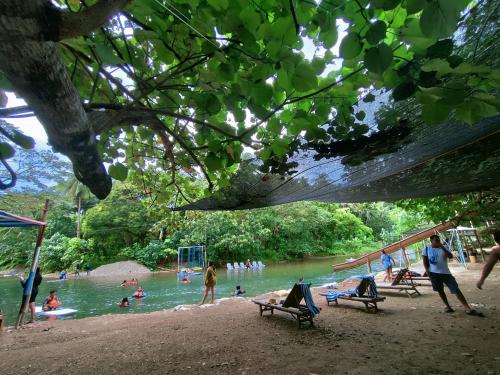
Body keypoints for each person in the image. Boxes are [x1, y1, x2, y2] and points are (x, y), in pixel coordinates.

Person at [423, 235, 482, 316]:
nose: (437, 241)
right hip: (434, 274)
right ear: (431, 241)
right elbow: (425, 263)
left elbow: (450, 256)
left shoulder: (443, 247)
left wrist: (442, 247)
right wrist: (428, 273)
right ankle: (448, 306)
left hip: (446, 273)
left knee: (456, 289)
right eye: (435, 240)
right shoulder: (426, 249)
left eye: (438, 239)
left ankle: (467, 308)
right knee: (440, 290)